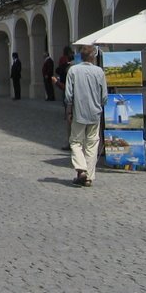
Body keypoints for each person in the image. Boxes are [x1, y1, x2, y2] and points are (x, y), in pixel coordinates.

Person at [65, 45, 107, 187]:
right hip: (95, 113)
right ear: (93, 57)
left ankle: (81, 169)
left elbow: (68, 94)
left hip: (79, 112)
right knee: (92, 144)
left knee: (76, 142)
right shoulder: (99, 71)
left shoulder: (73, 70)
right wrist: (100, 105)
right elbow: (104, 96)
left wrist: (69, 111)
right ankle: (89, 176)